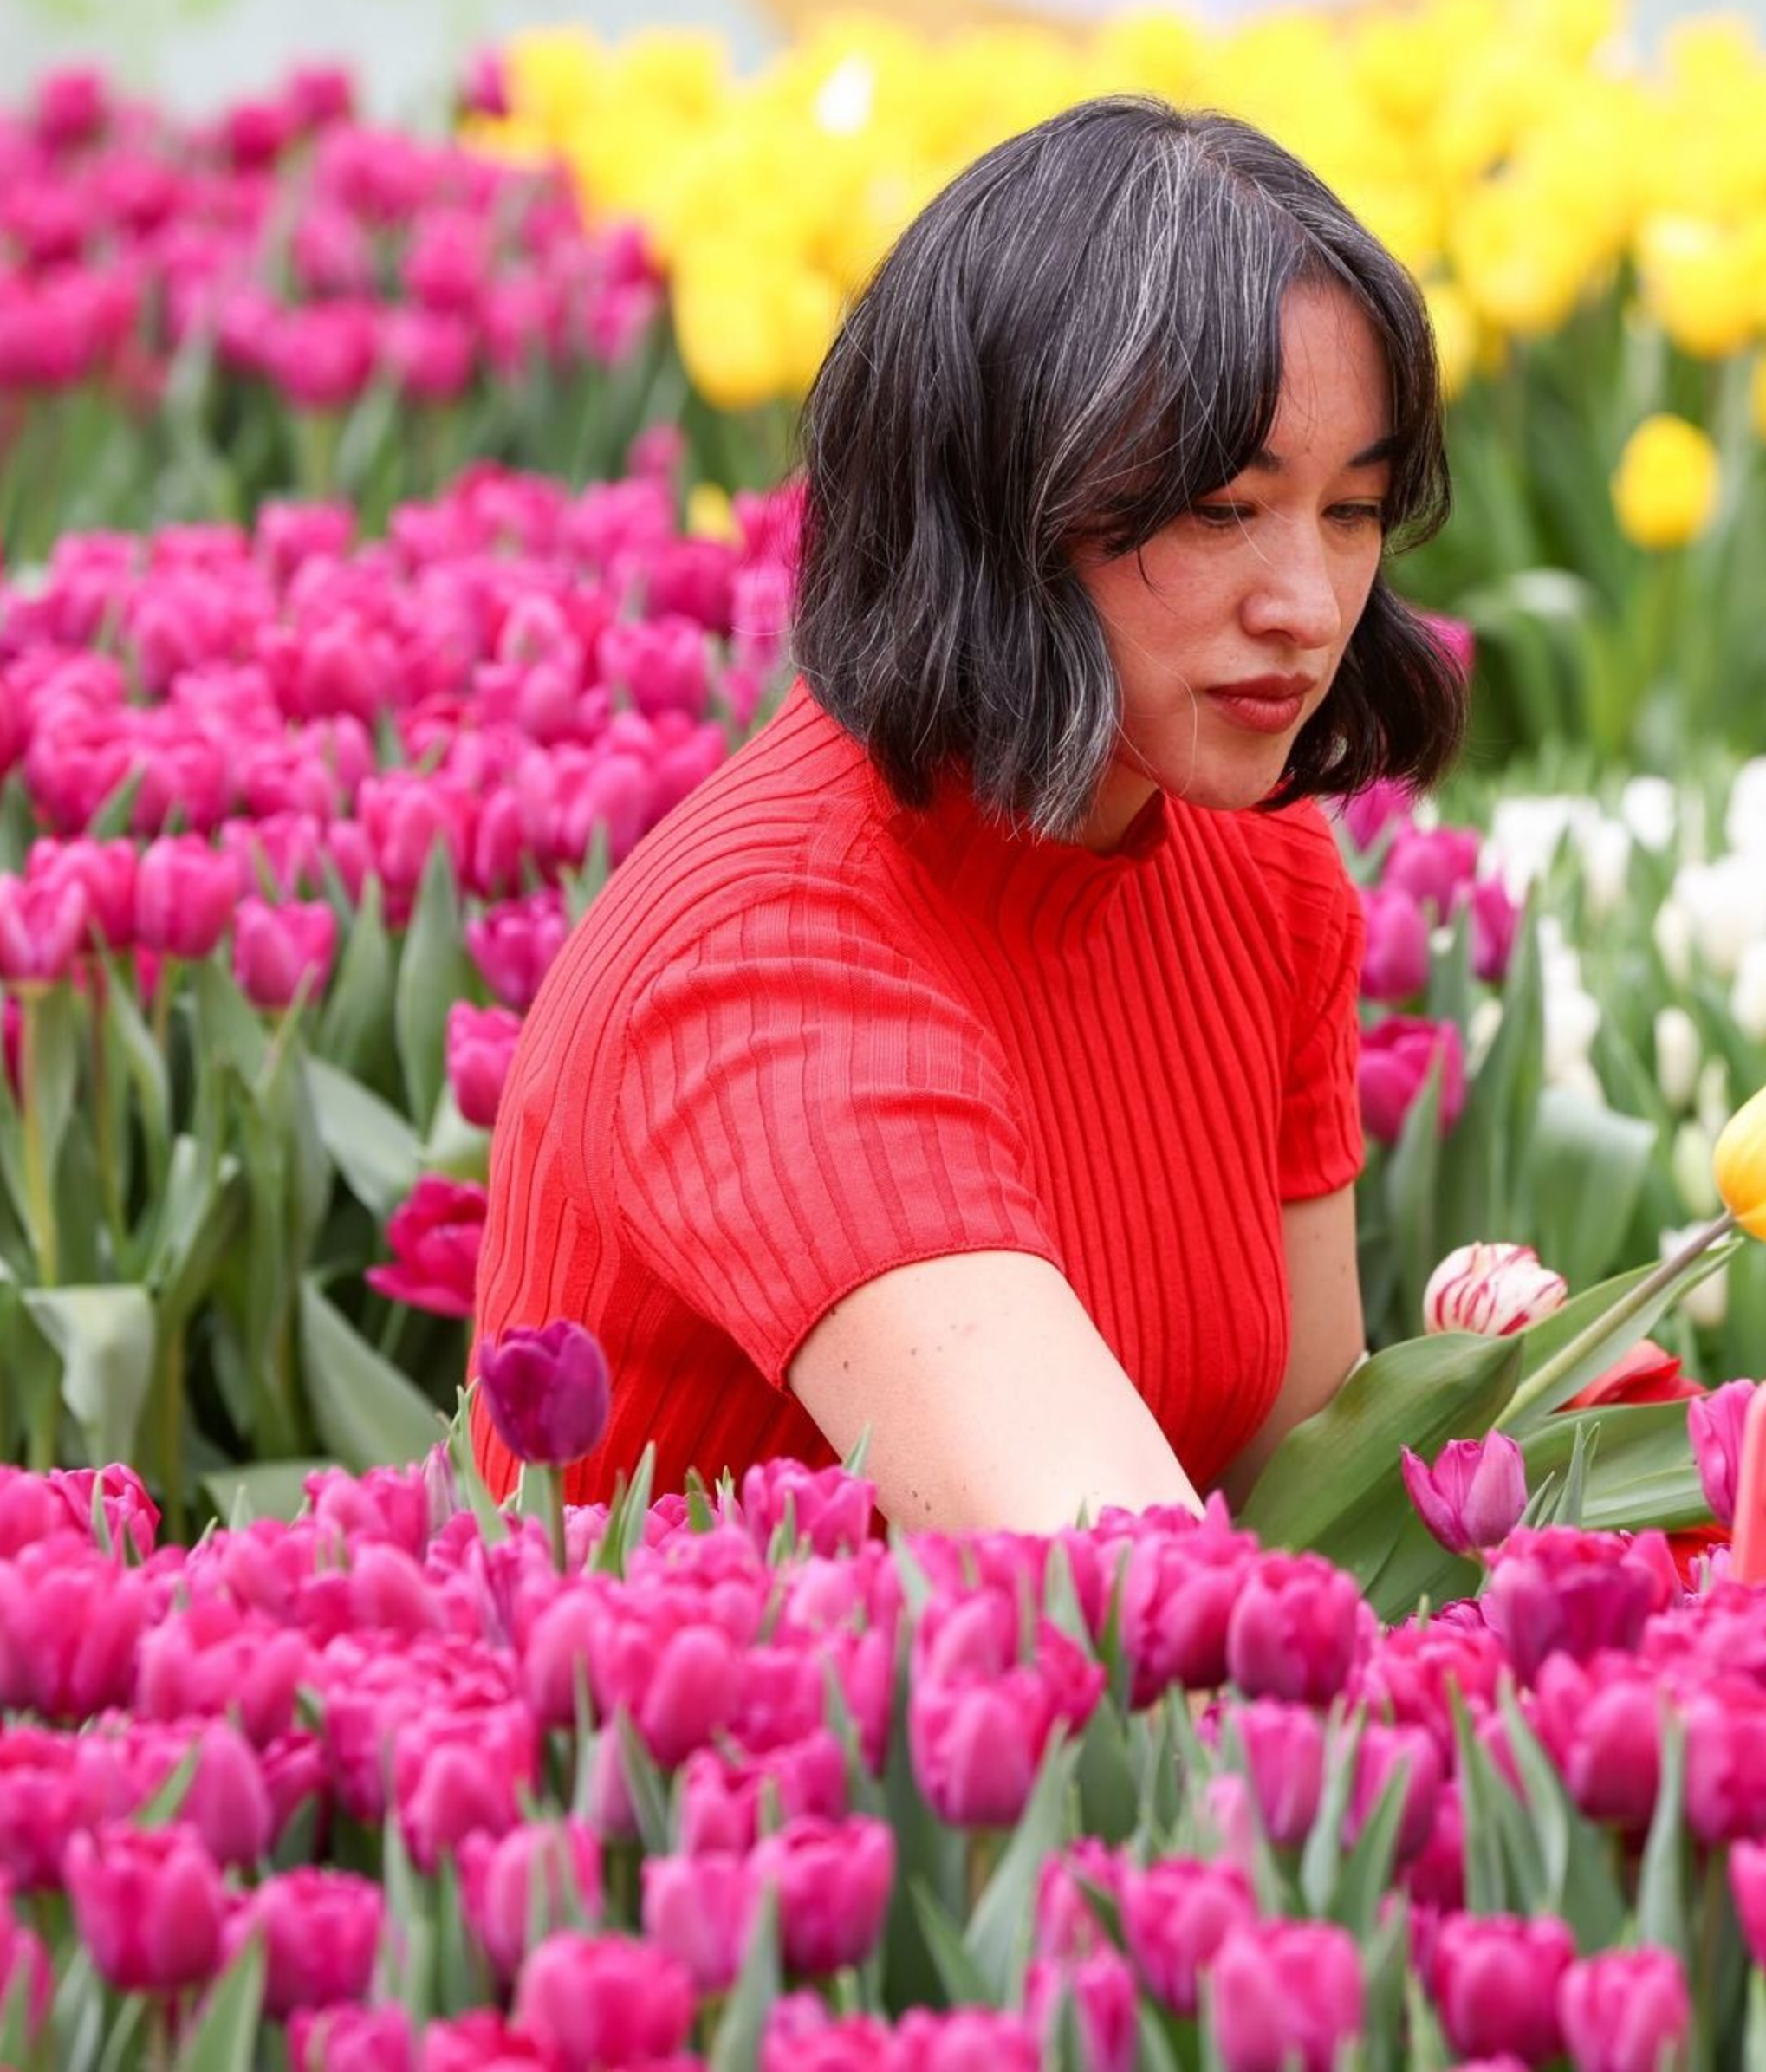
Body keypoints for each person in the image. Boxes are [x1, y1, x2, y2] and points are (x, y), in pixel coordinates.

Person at [471, 95, 1467, 1531]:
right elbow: (1121, 1577)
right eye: (1223, 511)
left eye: (1353, 512)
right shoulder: (767, 970)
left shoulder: (1257, 863)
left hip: (1069, 1746)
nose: (1307, 608)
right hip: (720, 1746)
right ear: (999, 501)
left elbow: (1298, 1498)